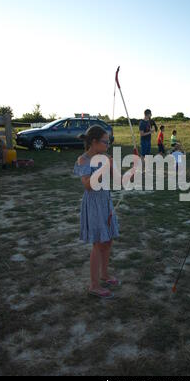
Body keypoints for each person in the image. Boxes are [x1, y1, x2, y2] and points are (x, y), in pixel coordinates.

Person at [74, 126, 120, 299]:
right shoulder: (83, 160)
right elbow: (87, 185)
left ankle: (104, 275)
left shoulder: (105, 158)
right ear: (94, 142)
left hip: (106, 202)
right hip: (93, 204)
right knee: (98, 243)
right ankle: (94, 285)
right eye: (105, 142)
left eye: (109, 142)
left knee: (108, 241)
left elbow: (117, 180)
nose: (108, 145)